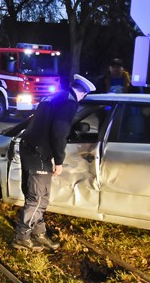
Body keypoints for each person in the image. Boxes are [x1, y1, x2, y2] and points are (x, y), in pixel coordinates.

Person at [13, 74, 96, 252]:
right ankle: (22, 236)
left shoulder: (55, 96)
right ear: (82, 93)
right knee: (37, 198)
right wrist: (59, 161)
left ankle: (39, 233)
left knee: (40, 196)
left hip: (30, 147)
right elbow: (60, 132)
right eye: (84, 96)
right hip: (39, 152)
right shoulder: (70, 102)